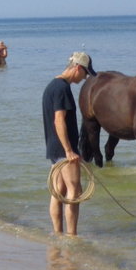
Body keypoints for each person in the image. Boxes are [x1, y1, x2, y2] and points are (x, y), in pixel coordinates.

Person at [42, 51, 97, 235]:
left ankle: (57, 234)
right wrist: (69, 150)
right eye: (85, 73)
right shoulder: (62, 88)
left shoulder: (52, 86)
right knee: (74, 191)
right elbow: (59, 120)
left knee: (57, 192)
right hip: (64, 149)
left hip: (53, 147)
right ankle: (72, 236)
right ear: (77, 68)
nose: (85, 78)